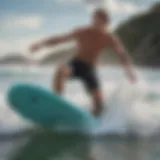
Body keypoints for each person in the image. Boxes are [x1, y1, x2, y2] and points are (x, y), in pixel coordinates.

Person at [30, 8, 137, 117]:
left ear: (106, 23)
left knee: (99, 105)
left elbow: (122, 53)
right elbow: (60, 39)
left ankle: (94, 121)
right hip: (76, 63)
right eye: (95, 20)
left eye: (101, 22)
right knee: (61, 70)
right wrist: (41, 44)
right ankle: (57, 104)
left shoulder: (109, 37)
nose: (97, 24)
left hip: (90, 69)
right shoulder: (83, 32)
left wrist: (129, 71)